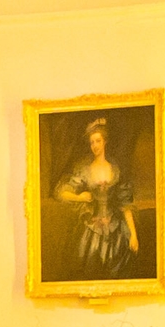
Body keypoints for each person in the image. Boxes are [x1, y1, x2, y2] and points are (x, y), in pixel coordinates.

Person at [54, 115, 140, 276]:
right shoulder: (84, 170)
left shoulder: (115, 169)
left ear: (105, 142)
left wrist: (133, 235)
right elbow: (61, 193)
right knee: (89, 267)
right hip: (90, 230)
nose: (94, 145)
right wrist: (80, 197)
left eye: (98, 141)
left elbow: (125, 205)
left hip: (116, 232)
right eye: (92, 142)